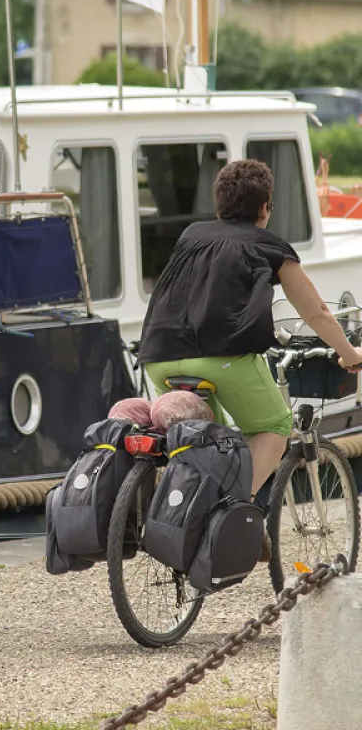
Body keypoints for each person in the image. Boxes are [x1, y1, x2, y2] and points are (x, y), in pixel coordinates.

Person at [138, 158, 362, 502]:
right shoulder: (270, 246)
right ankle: (231, 513)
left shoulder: (190, 236)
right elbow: (316, 312)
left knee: (210, 436)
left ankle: (192, 515)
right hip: (223, 359)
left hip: (159, 357)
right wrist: (349, 354)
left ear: (219, 205)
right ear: (264, 208)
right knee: (273, 428)